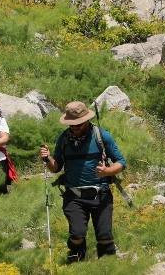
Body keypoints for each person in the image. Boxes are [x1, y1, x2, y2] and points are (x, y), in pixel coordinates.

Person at [40, 101, 127, 264]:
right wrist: (47, 159)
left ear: (86, 120)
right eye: (72, 125)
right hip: (74, 196)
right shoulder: (63, 139)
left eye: (78, 124)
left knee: (104, 236)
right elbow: (56, 168)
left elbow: (121, 162)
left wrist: (108, 171)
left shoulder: (101, 136)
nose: (74, 127)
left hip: (101, 195)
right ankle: (76, 264)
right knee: (77, 234)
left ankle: (108, 267)